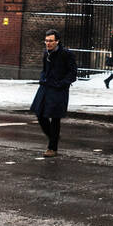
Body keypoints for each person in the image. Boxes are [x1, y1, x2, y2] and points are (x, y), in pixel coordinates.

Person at [30, 29, 77, 157]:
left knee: (55, 117)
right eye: (46, 41)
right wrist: (42, 78)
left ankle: (52, 148)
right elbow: (44, 69)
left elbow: (73, 73)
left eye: (51, 41)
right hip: (45, 87)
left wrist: (61, 84)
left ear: (57, 41)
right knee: (40, 114)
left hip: (58, 89)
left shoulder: (66, 54)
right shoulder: (46, 53)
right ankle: (53, 137)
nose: (48, 43)